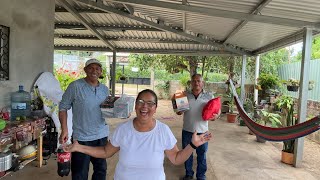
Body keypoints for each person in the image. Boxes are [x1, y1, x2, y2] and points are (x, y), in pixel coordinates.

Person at [63, 89, 212, 180]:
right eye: (140, 102)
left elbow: (176, 158)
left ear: (156, 107)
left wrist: (192, 145)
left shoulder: (163, 131)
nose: (144, 107)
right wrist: (79, 147)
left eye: (149, 103)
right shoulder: (123, 129)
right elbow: (105, 152)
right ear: (135, 105)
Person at [59, 58, 109, 180]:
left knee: (101, 171)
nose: (94, 71)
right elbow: (62, 108)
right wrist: (64, 129)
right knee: (79, 173)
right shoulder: (75, 86)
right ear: (85, 70)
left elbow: (107, 110)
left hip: (101, 136)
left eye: (97, 69)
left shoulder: (104, 89)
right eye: (91, 68)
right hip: (81, 138)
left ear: (101, 71)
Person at [177, 74, 220, 180]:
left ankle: (201, 176)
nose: (196, 83)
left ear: (202, 83)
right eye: (194, 81)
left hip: (203, 131)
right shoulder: (184, 95)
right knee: (187, 154)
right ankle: (189, 174)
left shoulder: (209, 96)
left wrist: (216, 116)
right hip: (187, 130)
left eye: (198, 81)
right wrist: (179, 110)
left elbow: (217, 110)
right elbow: (179, 112)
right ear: (191, 82)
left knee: (202, 155)